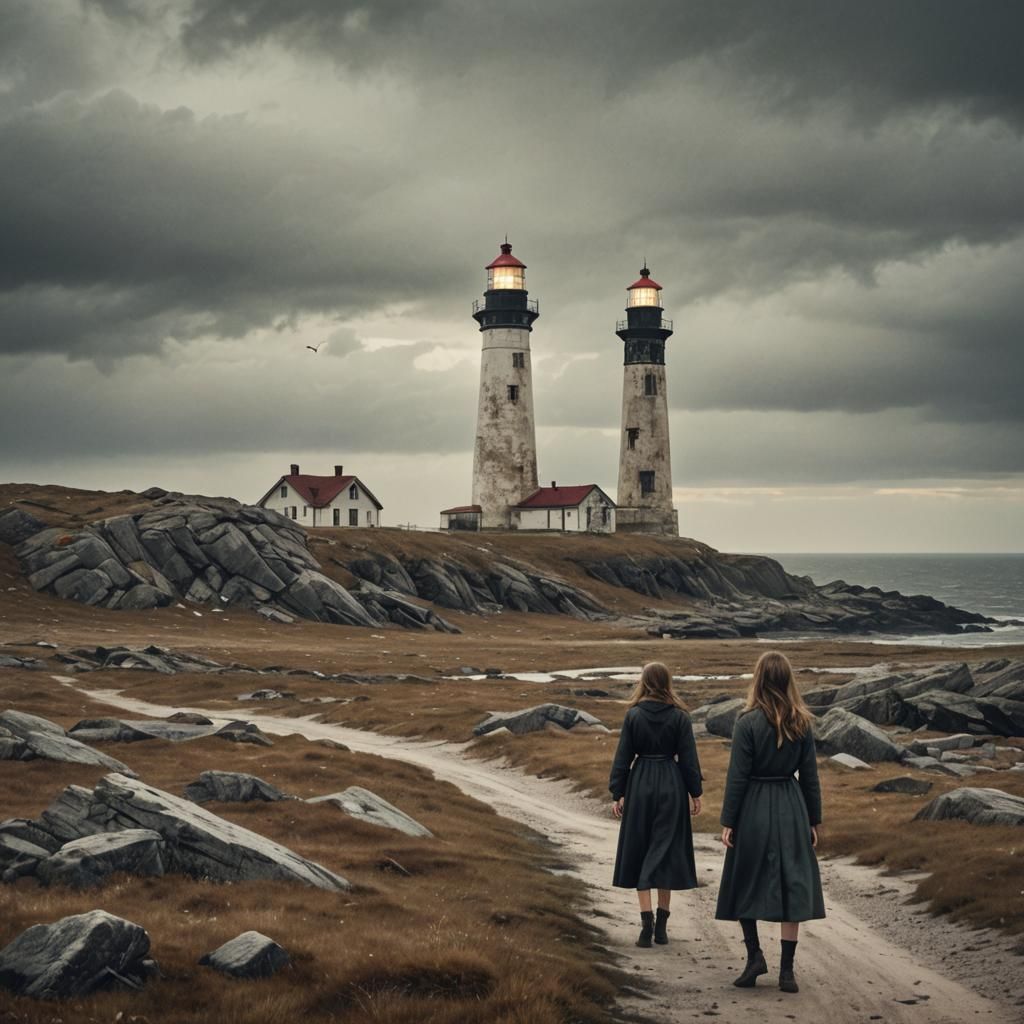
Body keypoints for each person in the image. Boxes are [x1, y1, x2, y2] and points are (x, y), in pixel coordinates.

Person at [714, 651, 825, 994]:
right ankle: (786, 972)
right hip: (791, 806)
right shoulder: (801, 721)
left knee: (745, 878)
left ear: (759, 678)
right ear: (787, 679)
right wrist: (813, 820)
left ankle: (755, 956)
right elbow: (810, 777)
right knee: (793, 883)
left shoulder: (746, 722)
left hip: (754, 807)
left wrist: (729, 820)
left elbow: (737, 777)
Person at [609, 662, 703, 948]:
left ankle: (646, 925)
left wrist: (618, 792)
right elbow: (688, 759)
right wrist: (695, 792)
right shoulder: (680, 717)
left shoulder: (633, 715)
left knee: (640, 850)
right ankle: (661, 927)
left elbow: (623, 756)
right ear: (667, 682)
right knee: (666, 852)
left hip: (640, 785)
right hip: (671, 785)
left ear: (644, 682)